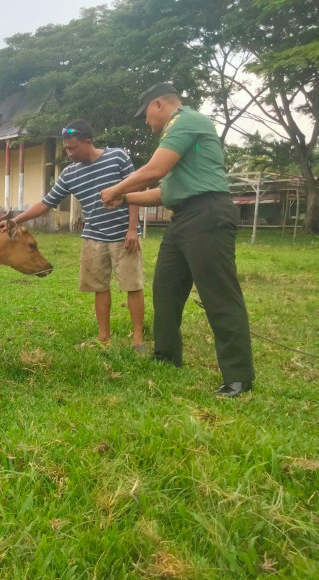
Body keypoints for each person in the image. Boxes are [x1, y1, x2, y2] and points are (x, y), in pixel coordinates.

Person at [100, 83, 255, 398]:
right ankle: (167, 356)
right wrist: (126, 197)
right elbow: (166, 191)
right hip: (183, 217)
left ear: (158, 104)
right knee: (166, 289)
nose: (146, 122)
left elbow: (154, 171)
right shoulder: (178, 139)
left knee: (219, 295)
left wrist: (116, 189)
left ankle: (239, 377)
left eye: (145, 114)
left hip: (207, 213)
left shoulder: (186, 122)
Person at [0, 120, 145, 351]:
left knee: (132, 285)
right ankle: (103, 338)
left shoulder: (117, 157)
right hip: (93, 237)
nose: (69, 153)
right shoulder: (69, 174)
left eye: (73, 148)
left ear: (88, 142)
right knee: (99, 287)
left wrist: (132, 229)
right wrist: (16, 220)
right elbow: (47, 203)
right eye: (66, 149)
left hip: (123, 236)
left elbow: (135, 191)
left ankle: (138, 340)